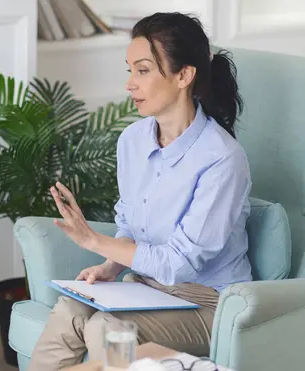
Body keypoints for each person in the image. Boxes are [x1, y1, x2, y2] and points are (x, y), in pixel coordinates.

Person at [28, 12, 252, 370]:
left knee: (108, 327)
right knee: (71, 308)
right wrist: (110, 266)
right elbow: (130, 224)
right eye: (129, 70)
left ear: (184, 75)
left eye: (143, 70)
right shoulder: (132, 141)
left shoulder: (222, 159)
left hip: (207, 304)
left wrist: (94, 241)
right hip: (146, 286)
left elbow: (181, 263)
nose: (130, 84)